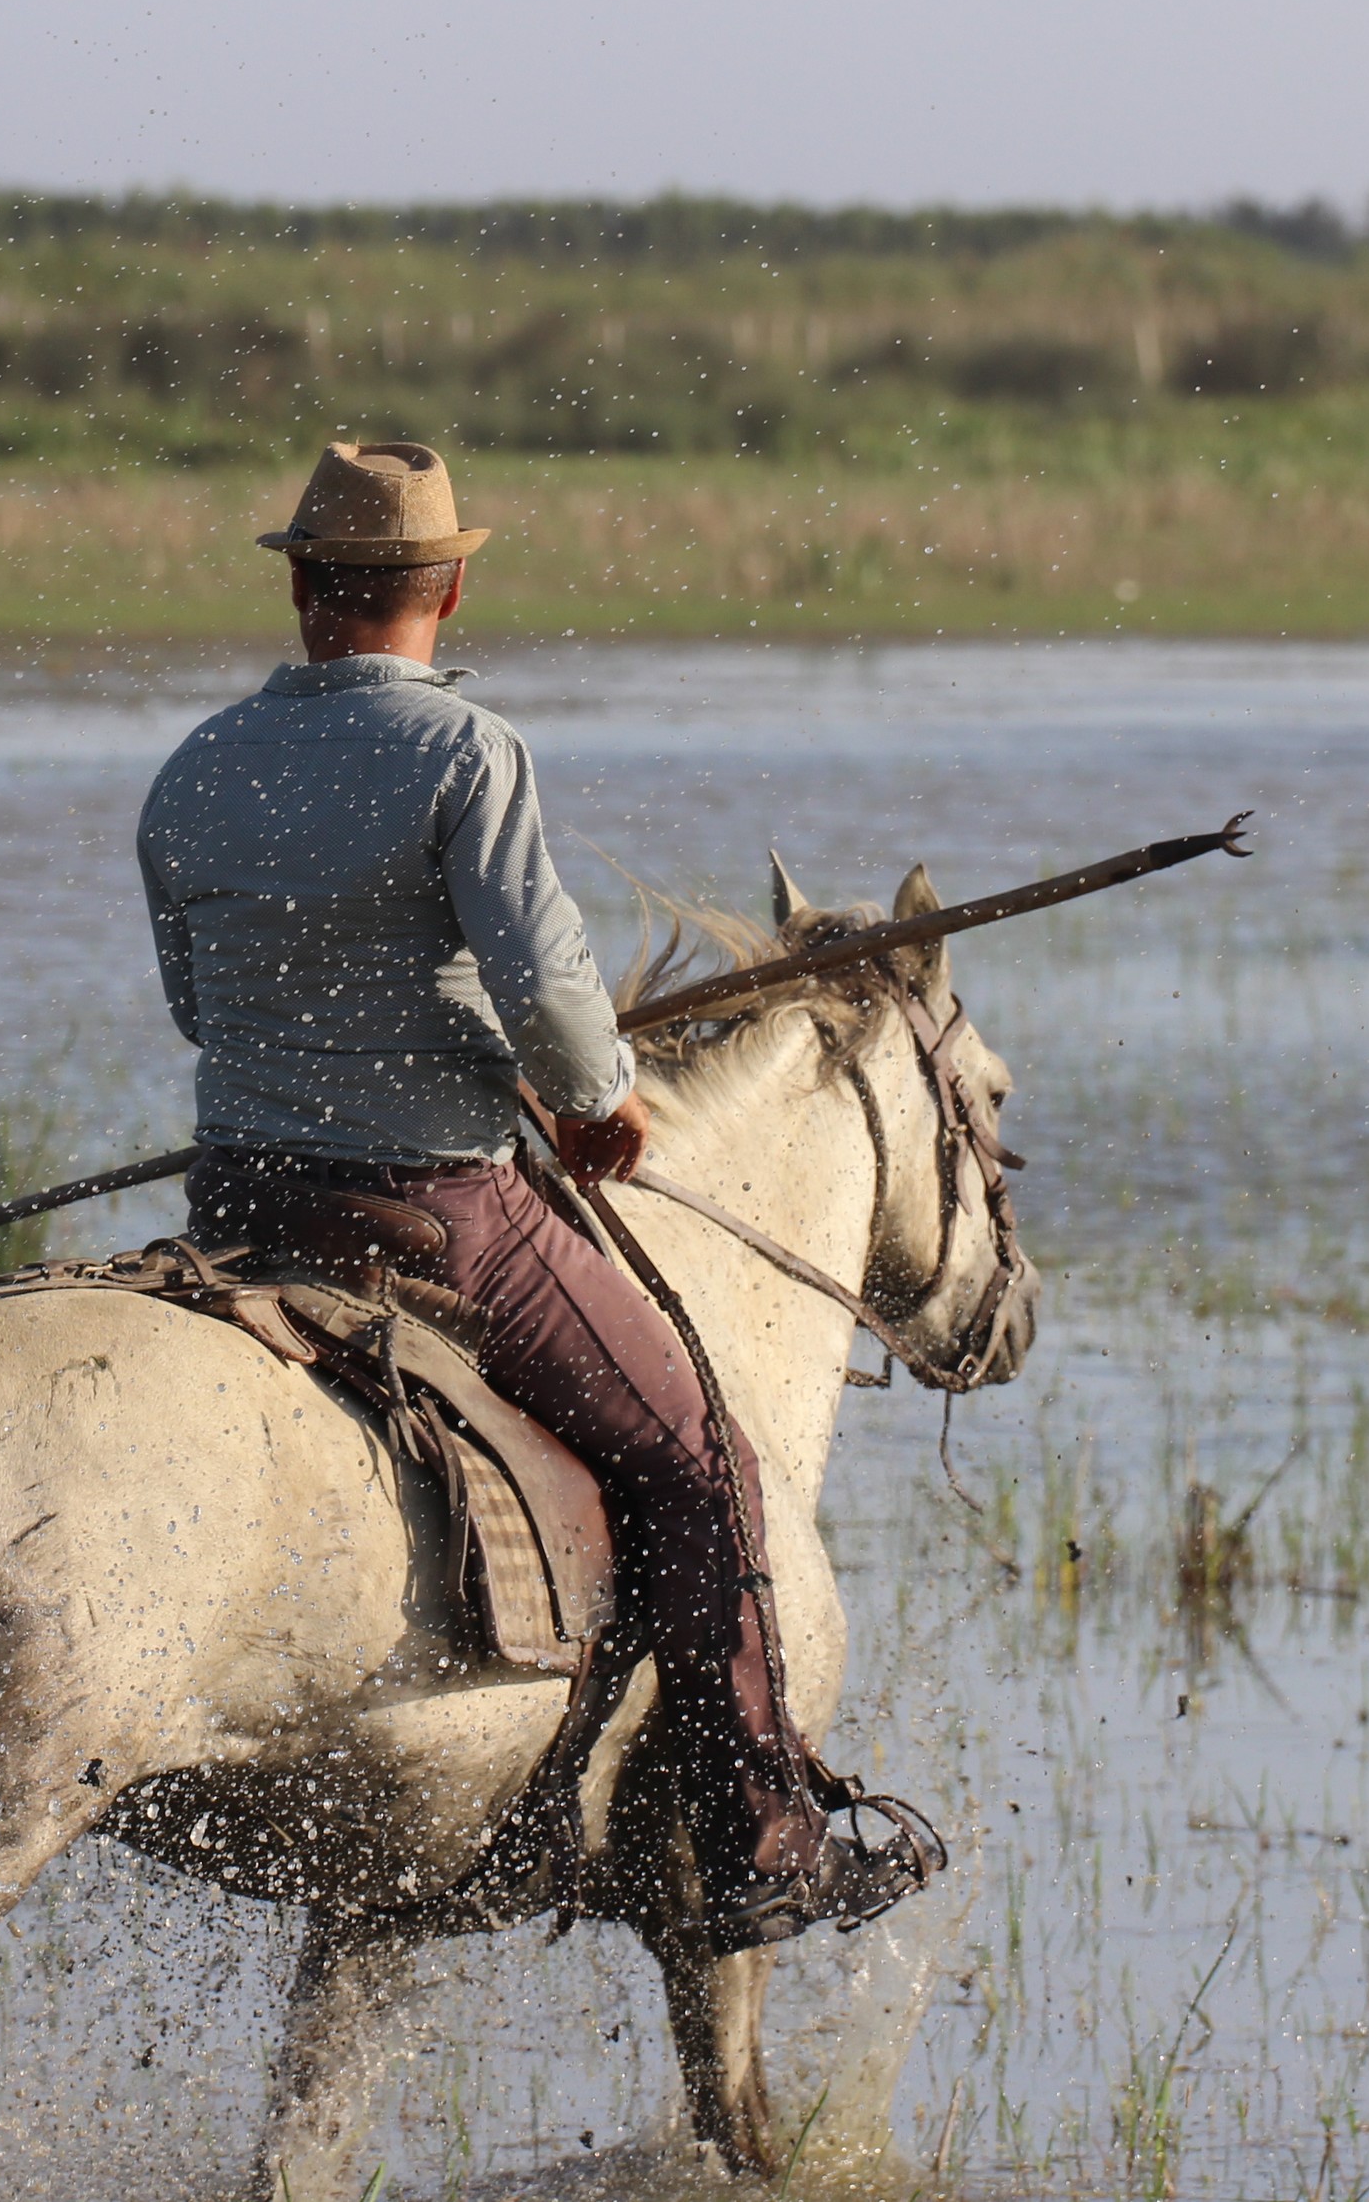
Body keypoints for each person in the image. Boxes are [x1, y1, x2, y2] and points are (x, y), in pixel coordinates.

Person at [134, 439, 880, 1947]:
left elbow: (198, 1006)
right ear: (452, 589)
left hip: (242, 1202)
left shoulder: (196, 764)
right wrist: (598, 1103)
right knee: (702, 1454)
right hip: (436, 1206)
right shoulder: (466, 755)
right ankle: (760, 1833)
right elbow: (546, 989)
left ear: (301, 585)